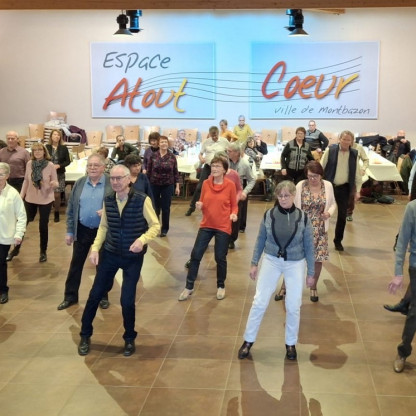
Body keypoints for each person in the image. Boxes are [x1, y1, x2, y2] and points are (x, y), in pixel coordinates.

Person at [78, 164, 160, 356]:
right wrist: (95, 249)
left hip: (132, 257)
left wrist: (142, 240)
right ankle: (85, 334)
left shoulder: (142, 200)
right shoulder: (108, 200)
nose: (115, 182)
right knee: (95, 295)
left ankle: (129, 338)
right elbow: (104, 227)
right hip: (111, 254)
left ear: (128, 179)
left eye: (119, 178)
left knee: (127, 301)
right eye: (112, 179)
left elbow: (155, 226)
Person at [238, 181, 315, 361]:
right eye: (280, 196)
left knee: (293, 305)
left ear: (294, 195)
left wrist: (311, 272)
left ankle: (290, 343)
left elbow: (309, 246)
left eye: (286, 195)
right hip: (271, 260)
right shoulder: (269, 215)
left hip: (295, 262)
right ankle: (248, 340)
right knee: (259, 301)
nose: (283, 199)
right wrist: (254, 263)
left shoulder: (303, 218)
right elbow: (260, 239)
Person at [57, 154, 113, 311]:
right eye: (90, 165)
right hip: (81, 230)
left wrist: (108, 211)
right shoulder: (80, 183)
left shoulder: (111, 183)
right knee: (76, 264)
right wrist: (70, 231)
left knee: (103, 266)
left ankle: (103, 296)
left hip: (103, 232)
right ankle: (70, 297)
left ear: (103, 167)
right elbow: (71, 207)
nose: (92, 168)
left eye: (96, 165)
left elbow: (120, 202)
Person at [178, 156, 238, 301]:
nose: (214, 168)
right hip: (206, 224)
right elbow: (202, 202)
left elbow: (234, 205)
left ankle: (221, 285)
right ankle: (189, 286)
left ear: (224, 170)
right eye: (213, 166)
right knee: (195, 255)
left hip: (223, 225)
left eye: (218, 166)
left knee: (220, 257)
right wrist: (200, 205)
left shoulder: (230, 185)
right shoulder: (206, 183)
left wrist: (234, 214)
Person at [275, 161, 336, 303]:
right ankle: (284, 286)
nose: (312, 179)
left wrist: (329, 213)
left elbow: (333, 203)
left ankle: (313, 286)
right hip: (301, 229)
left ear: (321, 175)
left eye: (315, 176)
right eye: (310, 176)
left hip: (320, 229)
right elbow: (292, 205)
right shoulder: (300, 185)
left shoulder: (328, 186)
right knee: (292, 259)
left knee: (317, 260)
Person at [320, 130, 362, 251]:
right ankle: (319, 239)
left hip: (344, 188)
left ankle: (338, 241)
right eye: (344, 139)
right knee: (322, 213)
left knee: (342, 216)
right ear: (339, 139)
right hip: (329, 186)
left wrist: (358, 191)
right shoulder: (330, 150)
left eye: (348, 140)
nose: (345, 142)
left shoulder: (354, 154)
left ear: (351, 142)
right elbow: (321, 167)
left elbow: (357, 174)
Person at [388, 199, 416, 373]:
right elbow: (402, 240)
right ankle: (403, 352)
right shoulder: (412, 208)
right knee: (414, 313)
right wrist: (398, 272)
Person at [20, 143, 58, 262]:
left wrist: (53, 184)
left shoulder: (50, 165)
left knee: (43, 226)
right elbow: (26, 180)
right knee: (23, 223)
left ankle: (43, 251)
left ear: (44, 151)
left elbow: (56, 182)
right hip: (30, 198)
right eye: (35, 150)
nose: (37, 152)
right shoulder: (29, 164)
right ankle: (15, 248)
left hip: (46, 198)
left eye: (39, 150)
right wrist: (21, 195)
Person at [0, 131, 30, 262]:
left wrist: (25, 190)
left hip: (19, 183)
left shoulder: (24, 152)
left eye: (13, 138)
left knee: (19, 216)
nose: (10, 140)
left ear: (17, 139)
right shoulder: (1, 152)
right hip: (3, 181)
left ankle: (16, 247)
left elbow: (29, 171)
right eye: (8, 138)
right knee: (4, 214)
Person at [185, 126, 229, 216]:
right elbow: (200, 154)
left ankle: (221, 208)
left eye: (215, 135)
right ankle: (192, 207)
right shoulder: (206, 142)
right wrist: (201, 158)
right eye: (212, 136)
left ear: (218, 133)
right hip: (208, 166)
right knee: (199, 187)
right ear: (210, 134)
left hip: (220, 168)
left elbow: (229, 152)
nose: (214, 137)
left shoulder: (224, 141)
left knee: (221, 186)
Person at [0, 163, 27, 304]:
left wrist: (19, 233)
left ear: (7, 176)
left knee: (0, 263)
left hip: (4, 236)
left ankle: (3, 290)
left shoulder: (13, 193)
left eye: (1, 174)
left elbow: (22, 215)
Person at [146, 135, 180, 237]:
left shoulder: (172, 156)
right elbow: (148, 171)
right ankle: (155, 227)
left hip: (167, 185)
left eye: (165, 142)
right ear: (158, 144)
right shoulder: (153, 156)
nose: (164, 144)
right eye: (162, 142)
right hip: (154, 184)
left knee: (166, 208)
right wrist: (146, 186)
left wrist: (177, 186)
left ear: (168, 144)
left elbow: (175, 172)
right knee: (155, 207)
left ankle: (165, 228)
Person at [227, 141, 256, 246]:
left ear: (236, 152)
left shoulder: (245, 164)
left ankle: (231, 240)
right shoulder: (225, 162)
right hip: (225, 191)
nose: (227, 153)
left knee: (236, 216)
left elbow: (252, 180)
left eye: (229, 151)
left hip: (238, 192)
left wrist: (245, 192)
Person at [45, 129, 71, 223]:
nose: (56, 136)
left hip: (59, 173)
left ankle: (56, 212)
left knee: (57, 195)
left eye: (58, 135)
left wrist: (59, 165)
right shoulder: (46, 147)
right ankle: (46, 212)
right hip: (48, 174)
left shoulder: (63, 148)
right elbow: (43, 159)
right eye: (55, 134)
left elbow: (68, 161)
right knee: (47, 193)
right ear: (51, 136)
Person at [346, 139, 369, 221]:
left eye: (349, 140)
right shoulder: (339, 147)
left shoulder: (358, 147)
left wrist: (363, 168)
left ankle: (349, 213)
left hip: (354, 173)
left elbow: (366, 159)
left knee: (351, 195)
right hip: (342, 173)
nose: (348, 142)